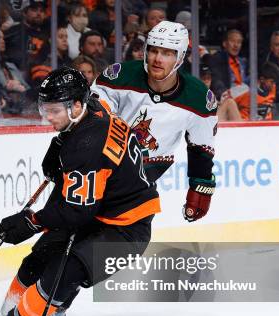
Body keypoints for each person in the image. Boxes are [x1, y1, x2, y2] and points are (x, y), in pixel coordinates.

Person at [0, 67, 158, 316]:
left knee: (65, 271)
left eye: (53, 110)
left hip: (127, 229)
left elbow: (76, 213)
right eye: (43, 109)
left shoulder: (88, 146)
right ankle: (12, 314)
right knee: (38, 259)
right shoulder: (91, 109)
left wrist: (31, 221)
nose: (47, 117)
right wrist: (60, 143)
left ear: (75, 106)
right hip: (98, 210)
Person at [91, 20, 217, 216]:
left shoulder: (198, 98)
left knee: (113, 244)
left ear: (180, 57)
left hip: (137, 188)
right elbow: (93, 118)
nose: (158, 59)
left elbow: (201, 147)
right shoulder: (120, 76)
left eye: (167, 53)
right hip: (96, 172)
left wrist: (201, 187)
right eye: (153, 50)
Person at [208, 29, 249, 99]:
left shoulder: (243, 61)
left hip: (245, 95)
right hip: (229, 96)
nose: (236, 45)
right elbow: (217, 82)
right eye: (232, 41)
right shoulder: (217, 59)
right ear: (224, 43)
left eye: (239, 42)